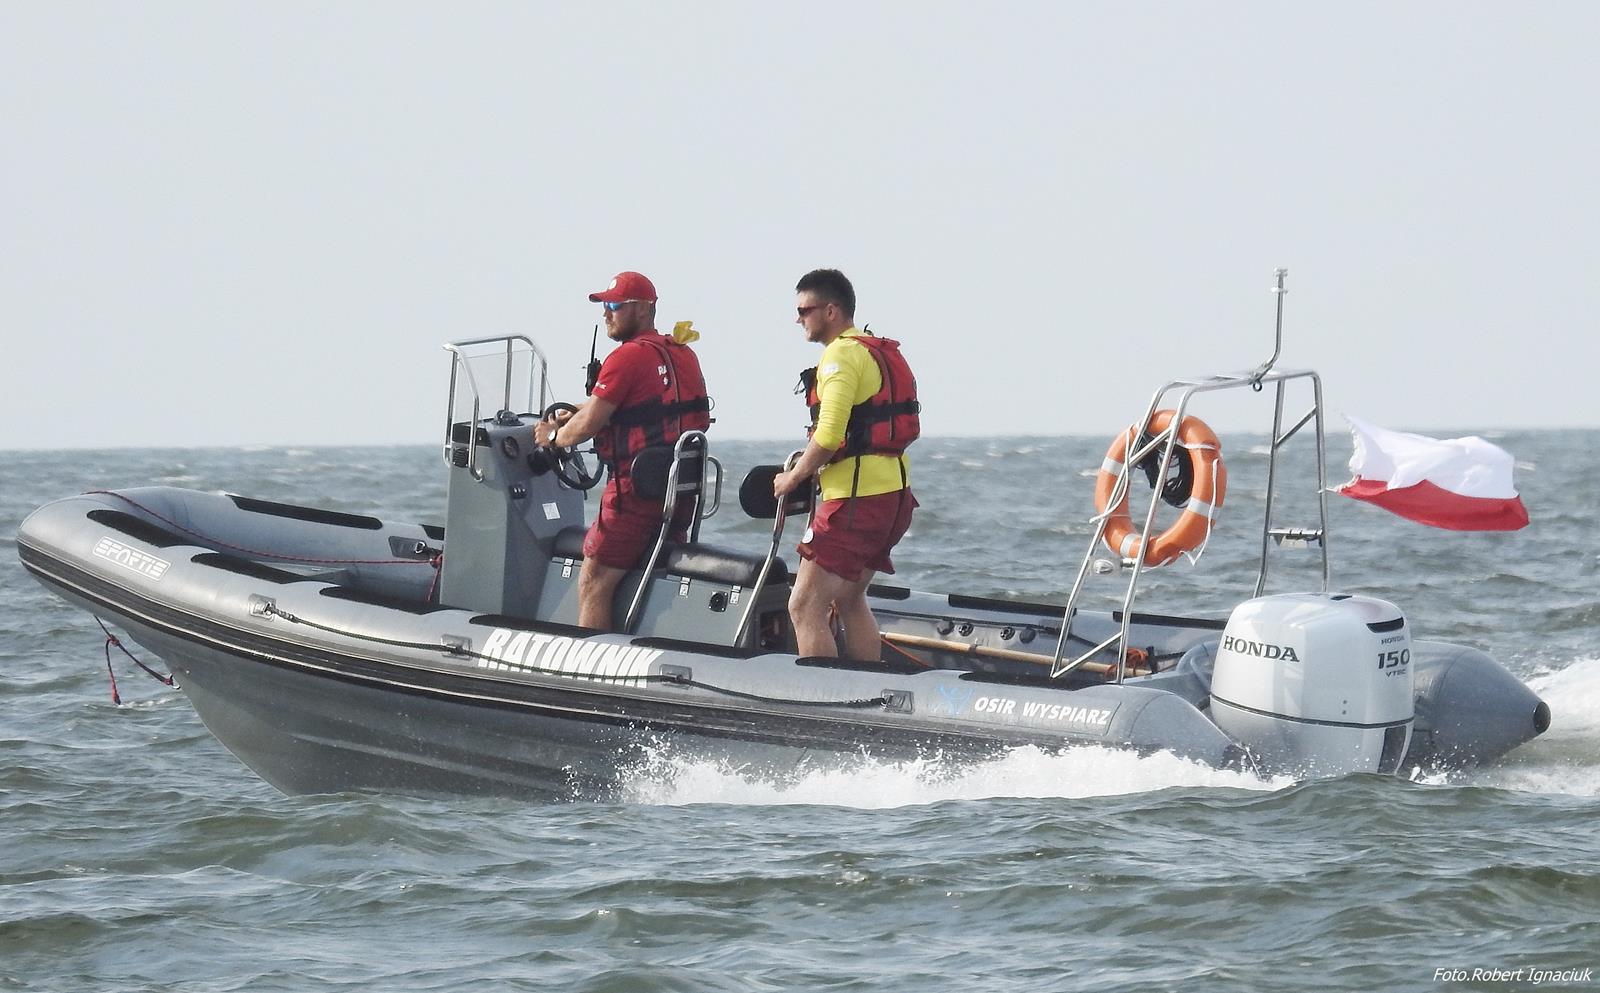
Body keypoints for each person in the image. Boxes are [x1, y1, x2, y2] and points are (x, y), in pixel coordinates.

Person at [532, 270, 711, 630]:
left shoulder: (626, 358)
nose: (606, 313)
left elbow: (587, 427)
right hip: (678, 492)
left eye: (614, 306)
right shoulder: (682, 353)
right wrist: (576, 410)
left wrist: (552, 437)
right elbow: (639, 403)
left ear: (643, 309)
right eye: (605, 306)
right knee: (647, 568)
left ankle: (592, 659)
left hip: (634, 494)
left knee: (594, 579)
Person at [772, 268, 920, 661]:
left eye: (804, 310)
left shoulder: (839, 355)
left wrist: (793, 477)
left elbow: (829, 436)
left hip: (856, 505)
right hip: (894, 500)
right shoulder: (873, 349)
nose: (798, 319)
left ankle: (822, 695)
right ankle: (865, 689)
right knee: (850, 599)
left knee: (804, 606)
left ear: (831, 311)